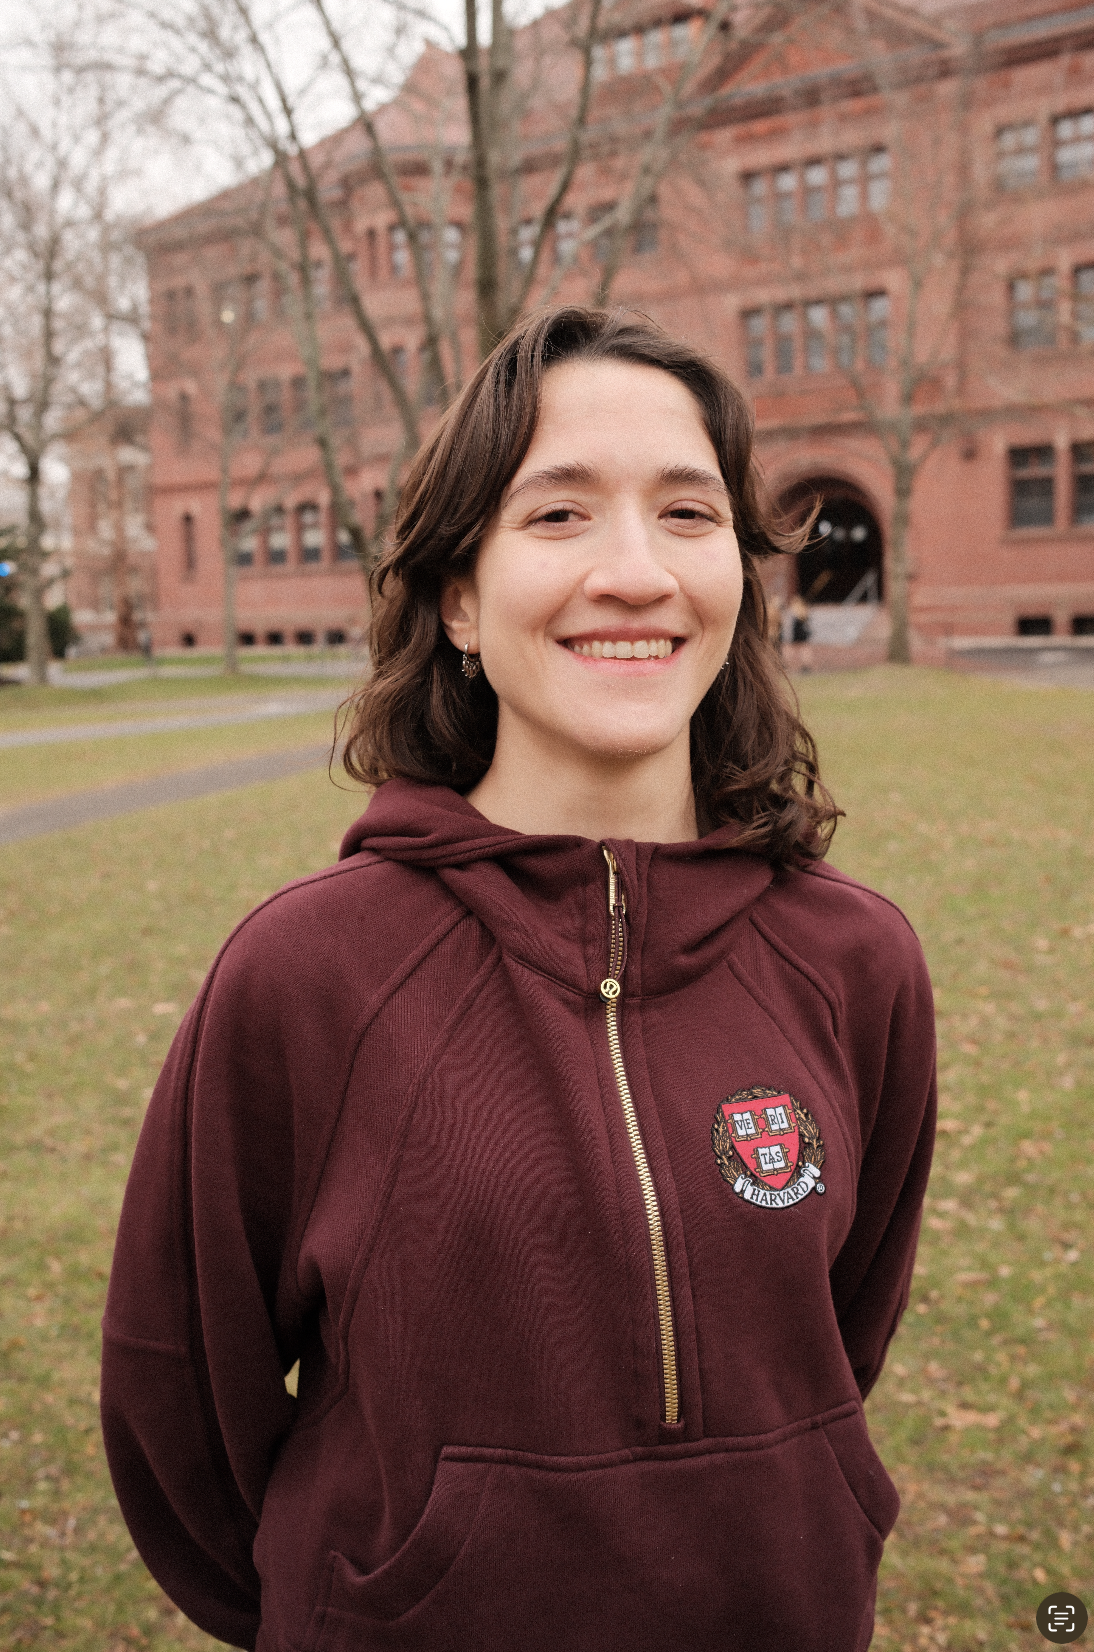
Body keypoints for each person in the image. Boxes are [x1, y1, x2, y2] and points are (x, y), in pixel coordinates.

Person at [101, 308, 935, 1652]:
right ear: (459, 600)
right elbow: (179, 1394)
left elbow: (842, 1333)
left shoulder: (856, 960)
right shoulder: (306, 975)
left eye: (687, 514)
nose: (636, 573)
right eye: (558, 515)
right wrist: (368, 1595)